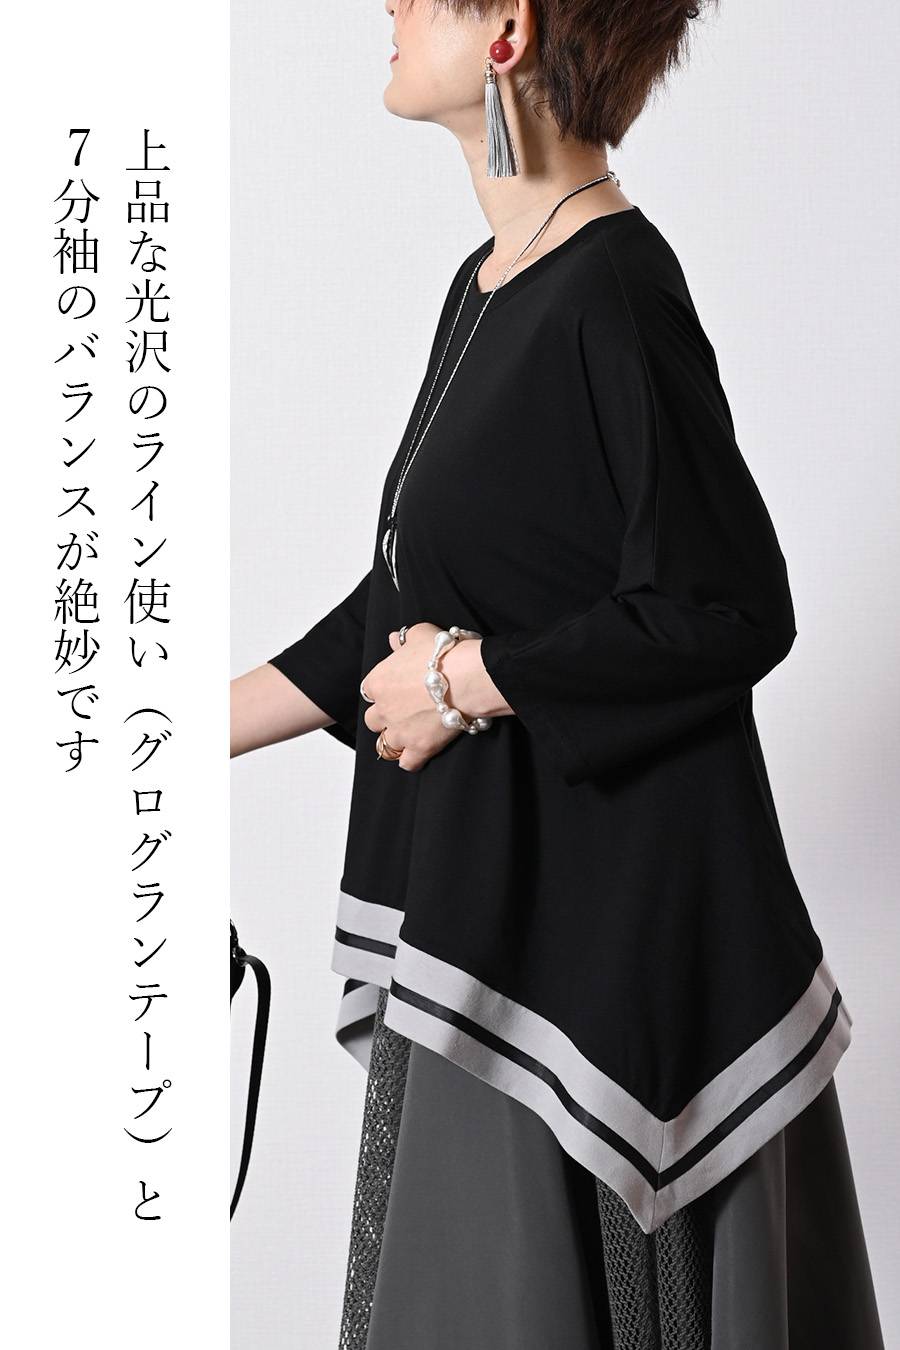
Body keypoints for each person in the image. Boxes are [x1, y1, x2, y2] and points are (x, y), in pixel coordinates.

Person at [231, 1, 885, 1344]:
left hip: (591, 964)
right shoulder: (489, 283)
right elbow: (410, 601)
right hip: (493, 918)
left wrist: (469, 681)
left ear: (511, 32)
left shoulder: (614, 289)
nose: (390, 7)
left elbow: (726, 605)